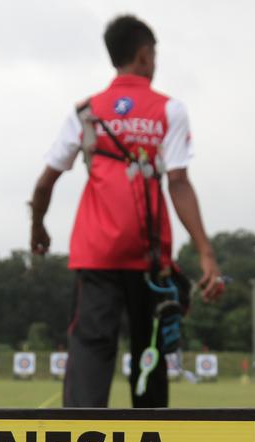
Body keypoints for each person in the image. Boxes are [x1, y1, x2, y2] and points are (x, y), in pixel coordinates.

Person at [29, 15, 223, 408]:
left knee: (90, 349)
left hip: (96, 253)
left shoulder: (85, 112)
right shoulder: (169, 110)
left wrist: (39, 226)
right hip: (150, 256)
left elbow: (45, 182)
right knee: (149, 351)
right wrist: (205, 250)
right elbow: (179, 182)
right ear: (144, 55)